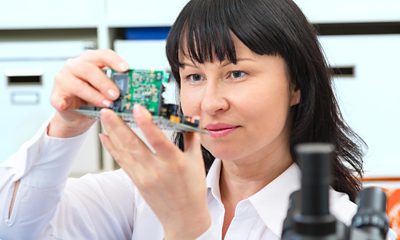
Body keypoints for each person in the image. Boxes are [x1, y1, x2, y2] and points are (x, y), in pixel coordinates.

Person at [0, 0, 390, 239]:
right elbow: (15, 229)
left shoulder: (344, 225)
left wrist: (186, 229)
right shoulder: (141, 195)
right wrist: (65, 127)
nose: (210, 103)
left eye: (237, 73)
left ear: (296, 85)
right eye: (194, 76)